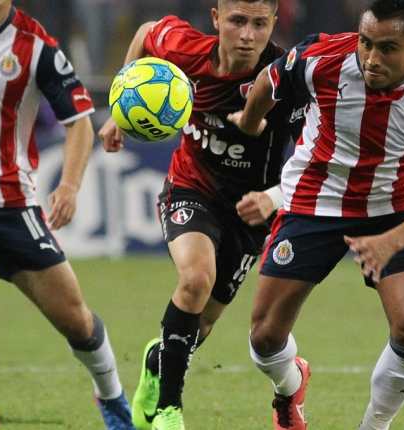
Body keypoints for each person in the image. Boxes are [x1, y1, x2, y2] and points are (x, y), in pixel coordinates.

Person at [230, 0, 404, 428]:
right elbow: (268, 82)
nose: (372, 58)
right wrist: (250, 124)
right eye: (366, 43)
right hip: (314, 200)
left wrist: (391, 242)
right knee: (265, 338)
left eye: (387, 48)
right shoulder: (321, 58)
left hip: (394, 209)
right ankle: (290, 384)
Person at [0, 1, 134, 429]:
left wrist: (69, 186)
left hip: (10, 203)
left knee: (76, 321)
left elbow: (79, 122)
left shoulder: (37, 48)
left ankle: (111, 396)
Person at [98, 1, 298, 428]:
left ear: (273, 23)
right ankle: (169, 410)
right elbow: (146, 32)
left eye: (259, 24)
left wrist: (274, 197)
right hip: (191, 188)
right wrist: (120, 111)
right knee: (195, 279)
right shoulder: (183, 49)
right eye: (237, 21)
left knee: (200, 325)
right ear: (216, 19)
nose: (247, 35)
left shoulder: (288, 79)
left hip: (250, 211)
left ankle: (156, 362)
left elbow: (315, 155)